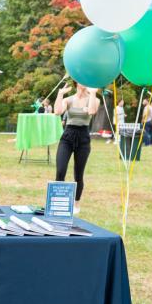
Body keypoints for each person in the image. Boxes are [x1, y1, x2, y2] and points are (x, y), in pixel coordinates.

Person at [54, 83, 99, 214]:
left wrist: (93, 92)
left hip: (83, 138)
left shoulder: (94, 98)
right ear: (76, 83)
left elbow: (91, 111)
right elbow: (57, 112)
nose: (83, 82)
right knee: (60, 170)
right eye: (80, 80)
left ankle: (76, 203)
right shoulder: (69, 100)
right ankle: (58, 203)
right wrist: (60, 94)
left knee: (78, 174)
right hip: (67, 136)